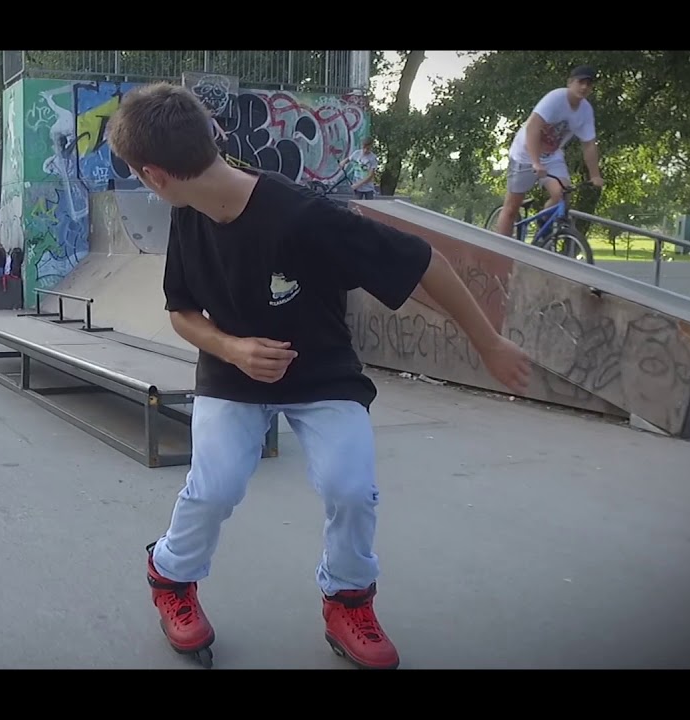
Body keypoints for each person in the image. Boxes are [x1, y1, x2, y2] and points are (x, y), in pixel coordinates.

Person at [105, 82, 533, 670]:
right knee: (216, 485)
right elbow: (181, 312)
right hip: (234, 375)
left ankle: (348, 600)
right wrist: (232, 348)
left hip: (323, 374)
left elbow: (423, 260)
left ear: (154, 176)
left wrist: (489, 343)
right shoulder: (190, 213)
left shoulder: (303, 216)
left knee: (349, 487)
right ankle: (172, 578)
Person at [496, 65, 605, 238]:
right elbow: (533, 127)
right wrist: (535, 162)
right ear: (570, 83)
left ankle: (543, 226)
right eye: (580, 82)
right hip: (525, 154)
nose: (584, 87)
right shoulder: (555, 98)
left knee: (562, 194)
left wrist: (595, 175)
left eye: (589, 84)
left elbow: (589, 145)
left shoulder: (585, 111)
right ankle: (500, 254)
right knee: (511, 208)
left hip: (551, 156)